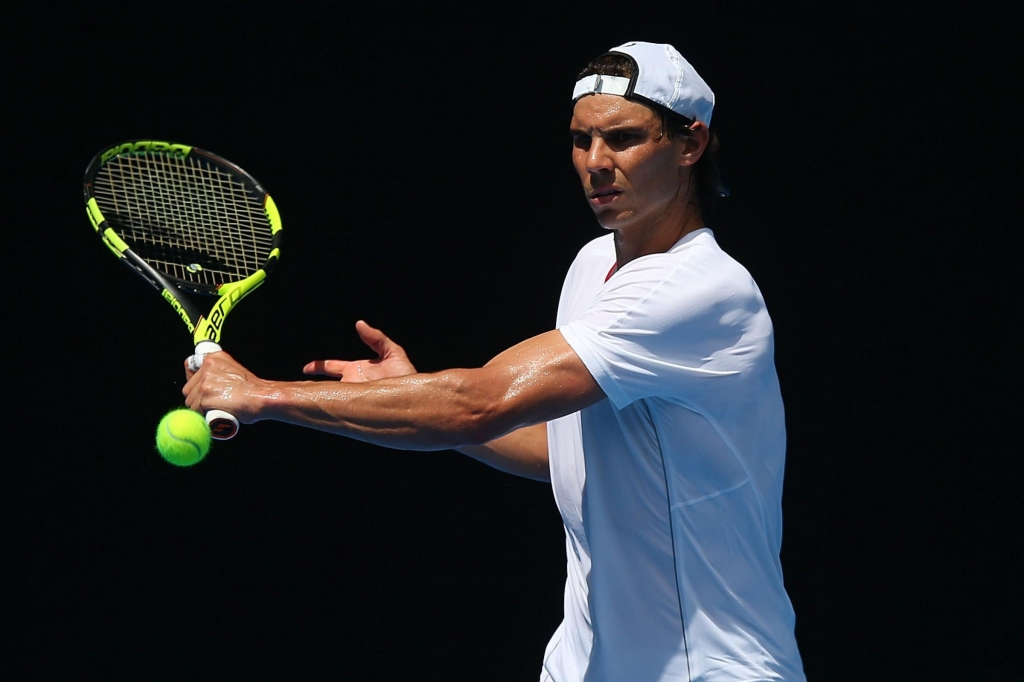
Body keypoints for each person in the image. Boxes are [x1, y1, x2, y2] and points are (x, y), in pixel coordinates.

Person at [184, 41, 805, 682]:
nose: (595, 164)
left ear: (689, 144)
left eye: (623, 139)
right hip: (587, 665)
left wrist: (264, 395)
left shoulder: (702, 290)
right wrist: (412, 395)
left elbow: (476, 405)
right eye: (580, 139)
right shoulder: (594, 267)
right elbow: (564, 456)